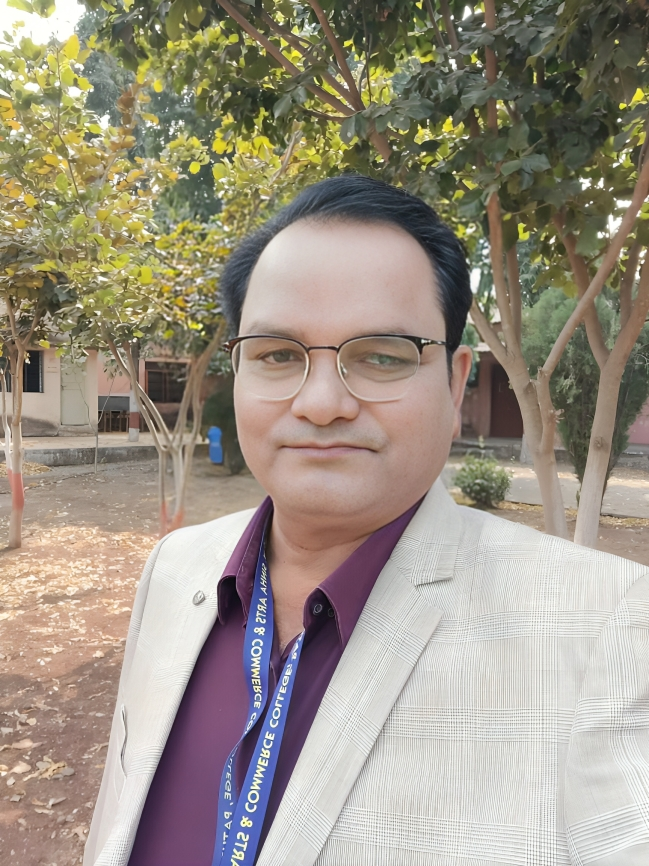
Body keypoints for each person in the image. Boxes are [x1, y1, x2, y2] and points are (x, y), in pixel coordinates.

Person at [85, 176, 649, 866]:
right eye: (277, 355)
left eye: (381, 356)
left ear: (454, 382)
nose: (322, 403)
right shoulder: (175, 570)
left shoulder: (609, 630)